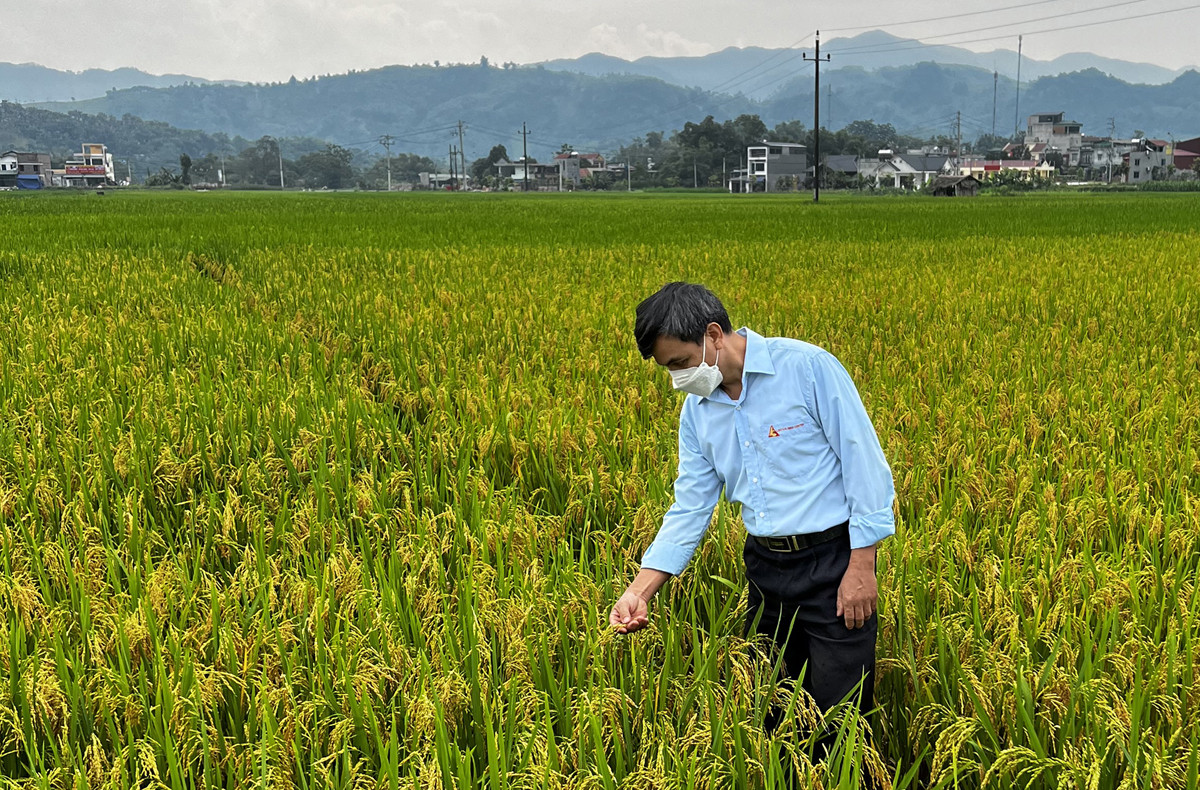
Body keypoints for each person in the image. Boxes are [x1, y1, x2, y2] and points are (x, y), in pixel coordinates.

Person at [609, 281, 896, 749]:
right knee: (777, 714)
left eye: (680, 363)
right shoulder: (697, 413)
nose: (677, 379)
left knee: (840, 721)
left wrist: (862, 565)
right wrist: (640, 591)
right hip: (765, 570)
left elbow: (865, 467)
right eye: (667, 370)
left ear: (714, 334)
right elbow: (690, 507)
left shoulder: (807, 368)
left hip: (834, 564)